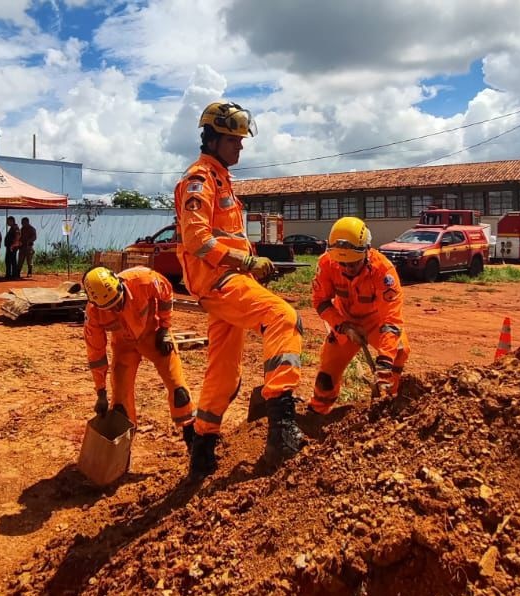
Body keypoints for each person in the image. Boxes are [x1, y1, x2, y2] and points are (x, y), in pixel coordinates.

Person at [174, 101, 304, 479]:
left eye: (241, 140)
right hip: (218, 281)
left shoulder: (220, 178)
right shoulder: (199, 180)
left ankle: (202, 448)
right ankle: (282, 425)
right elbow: (197, 240)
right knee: (284, 318)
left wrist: (251, 266)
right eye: (233, 140)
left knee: (224, 373)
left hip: (230, 280)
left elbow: (226, 236)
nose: (240, 147)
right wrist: (246, 262)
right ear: (212, 139)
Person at [83, 266, 195, 448]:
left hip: (154, 335)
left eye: (118, 301)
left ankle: (193, 440)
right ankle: (122, 451)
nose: (117, 308)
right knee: (120, 403)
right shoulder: (93, 314)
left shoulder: (143, 280)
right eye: (111, 307)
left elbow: (166, 291)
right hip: (124, 346)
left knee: (179, 390)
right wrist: (101, 392)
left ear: (119, 285)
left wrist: (165, 329)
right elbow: (96, 353)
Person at [309, 217, 411, 416]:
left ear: (366, 250)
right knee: (325, 378)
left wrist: (384, 362)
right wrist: (343, 326)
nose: (347, 269)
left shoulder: (384, 271)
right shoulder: (327, 263)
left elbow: (391, 319)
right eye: (342, 264)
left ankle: (389, 405)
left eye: (353, 264)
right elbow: (320, 301)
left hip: (376, 322)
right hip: (345, 322)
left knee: (398, 351)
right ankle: (317, 413)